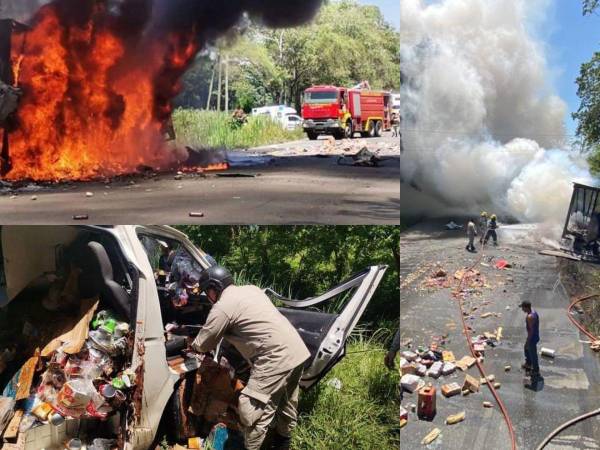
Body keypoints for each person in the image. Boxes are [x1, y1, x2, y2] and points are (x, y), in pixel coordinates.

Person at [191, 266, 310, 450]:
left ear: (215, 287)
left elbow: (204, 343)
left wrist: (192, 344)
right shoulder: (251, 289)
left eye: (208, 291)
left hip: (274, 358)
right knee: (286, 404)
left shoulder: (222, 306)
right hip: (296, 351)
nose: (208, 296)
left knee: (251, 413)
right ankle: (282, 445)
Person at [520, 300, 540, 378]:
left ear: (526, 307)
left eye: (522, 308)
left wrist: (528, 341)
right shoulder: (533, 312)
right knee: (526, 349)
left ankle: (535, 370)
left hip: (532, 337)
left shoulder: (530, 317)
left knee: (533, 353)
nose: (522, 310)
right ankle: (528, 363)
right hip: (534, 336)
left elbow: (531, 331)